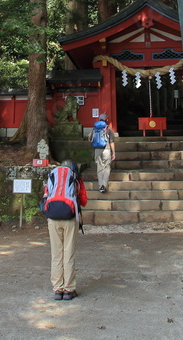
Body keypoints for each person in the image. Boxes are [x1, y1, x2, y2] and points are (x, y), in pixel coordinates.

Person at [41, 159, 87, 301]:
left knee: (56, 253)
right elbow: (84, 201)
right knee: (68, 253)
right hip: (70, 218)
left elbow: (46, 195)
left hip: (53, 219)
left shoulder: (52, 176)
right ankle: (69, 289)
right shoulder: (76, 179)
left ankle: (57, 289)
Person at [88, 115, 115, 193]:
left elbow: (90, 139)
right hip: (106, 149)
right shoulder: (108, 129)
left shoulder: (94, 128)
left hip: (97, 150)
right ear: (106, 120)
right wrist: (114, 153)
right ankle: (104, 184)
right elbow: (111, 142)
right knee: (107, 167)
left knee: (99, 168)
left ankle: (100, 186)